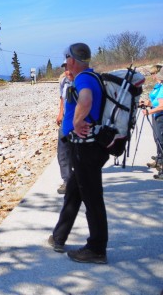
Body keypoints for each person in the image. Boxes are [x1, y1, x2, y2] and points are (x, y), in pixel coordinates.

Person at [48, 42, 109, 264]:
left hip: (87, 148)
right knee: (73, 192)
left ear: (72, 60)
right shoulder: (91, 76)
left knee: (92, 198)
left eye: (67, 59)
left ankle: (97, 248)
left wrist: (75, 121)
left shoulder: (83, 78)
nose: (66, 63)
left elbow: (85, 100)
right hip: (87, 147)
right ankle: (59, 237)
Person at [141, 67, 163, 180]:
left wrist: (149, 111)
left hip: (160, 116)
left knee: (161, 141)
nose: (154, 76)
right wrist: (148, 104)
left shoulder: (162, 87)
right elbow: (156, 102)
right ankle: (160, 162)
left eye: (155, 73)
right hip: (157, 116)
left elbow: (162, 105)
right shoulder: (159, 86)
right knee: (158, 139)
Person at [55, 62, 73, 194]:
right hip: (66, 121)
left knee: (78, 153)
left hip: (80, 123)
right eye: (66, 68)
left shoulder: (83, 81)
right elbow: (62, 98)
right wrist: (60, 113)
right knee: (62, 152)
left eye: (69, 67)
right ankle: (67, 181)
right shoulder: (64, 82)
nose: (67, 70)